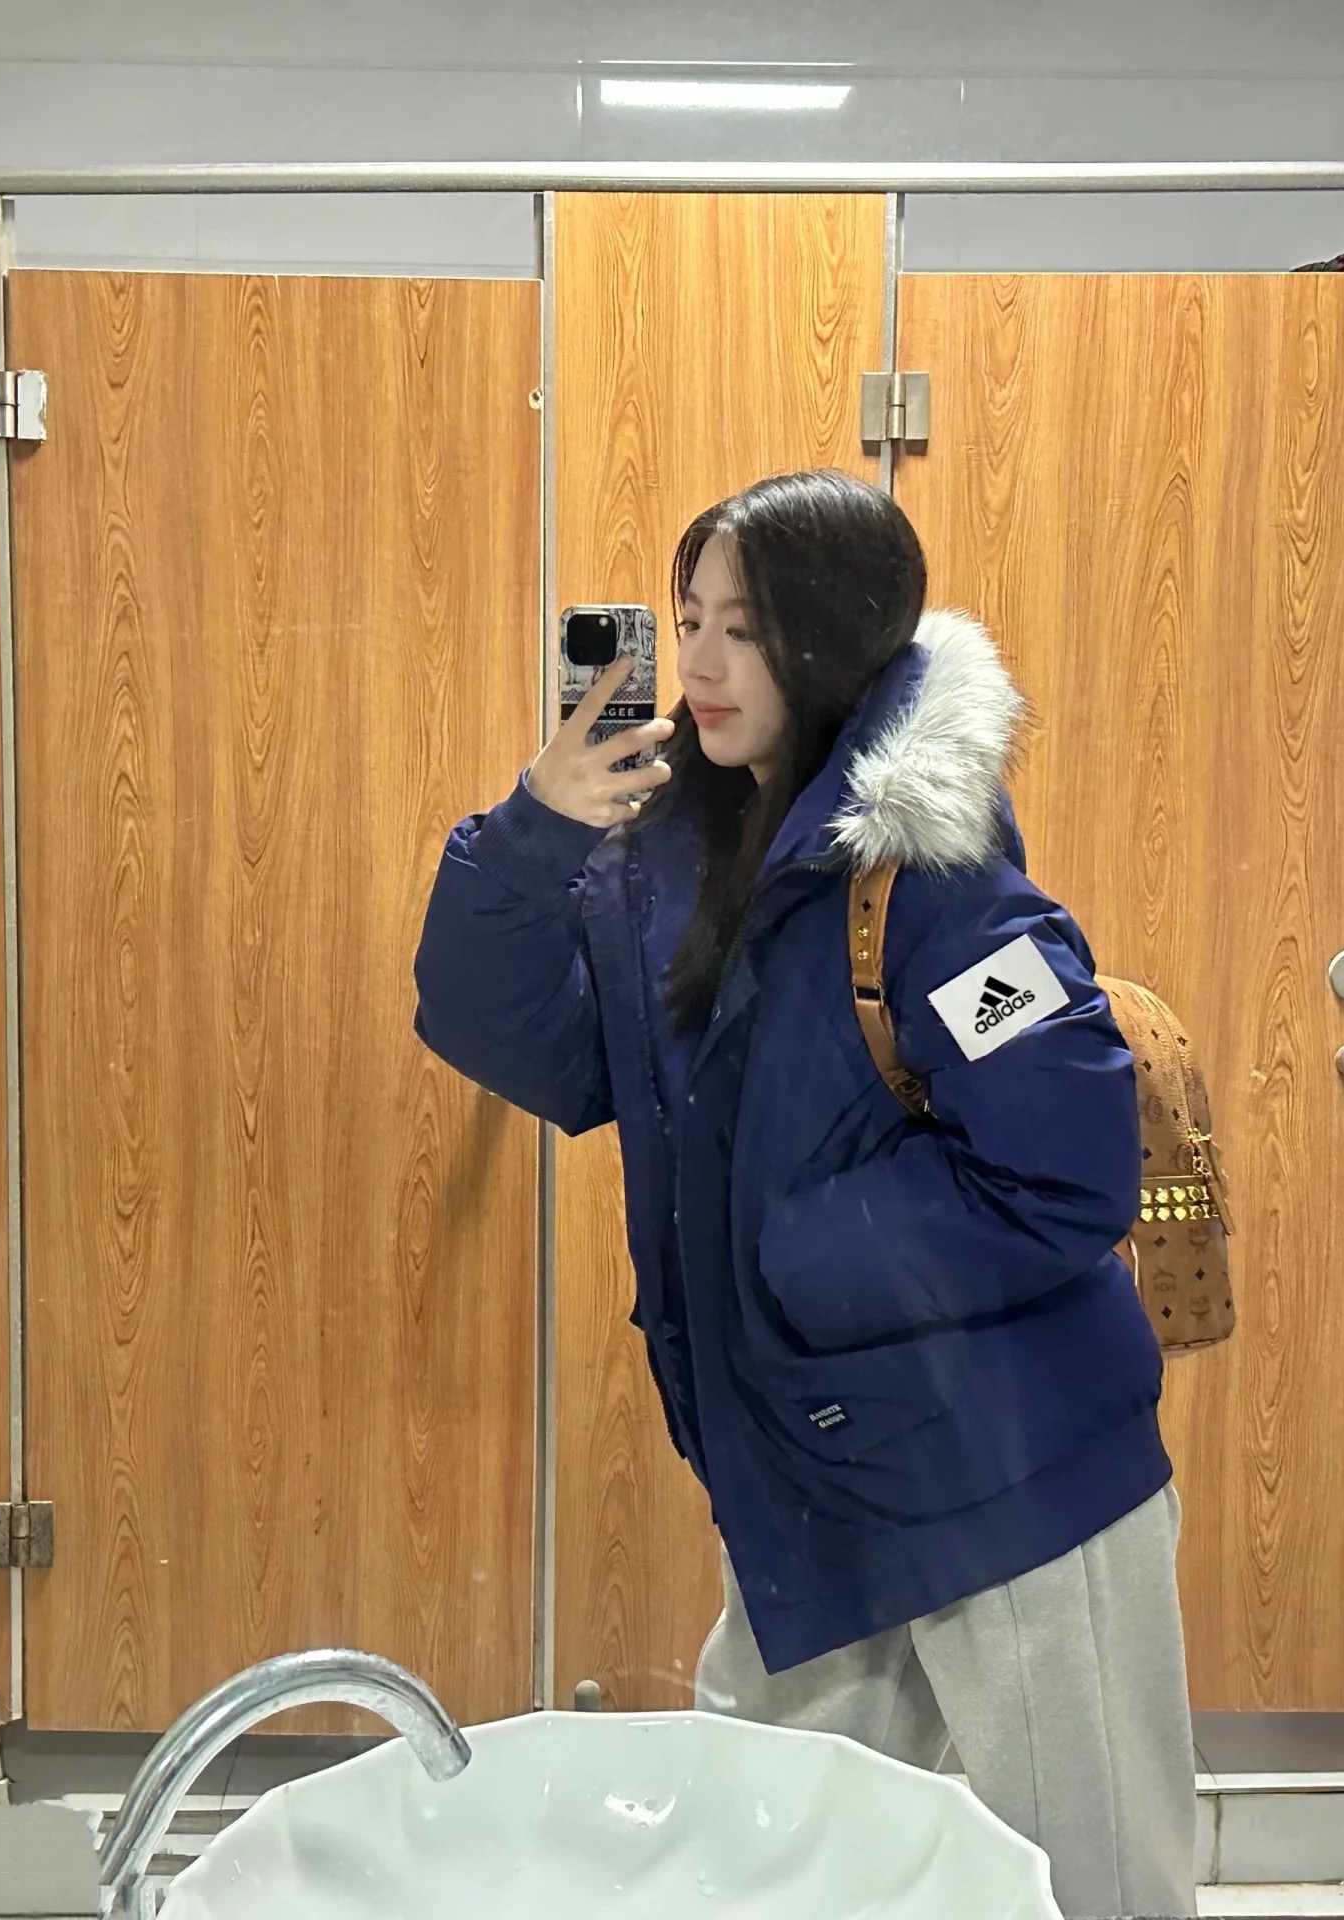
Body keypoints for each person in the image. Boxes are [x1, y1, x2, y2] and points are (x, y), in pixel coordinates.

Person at [414, 470, 1197, 1919]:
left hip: (1014, 1480)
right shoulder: (667, 857)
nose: (702, 663)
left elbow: (1069, 1173)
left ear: (829, 637)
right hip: (812, 1476)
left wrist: (796, 1261)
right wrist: (534, 834)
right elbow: (526, 1047)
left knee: (1088, 1887)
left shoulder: (937, 876)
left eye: (748, 628)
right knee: (771, 1867)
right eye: (689, 620)